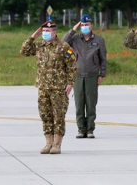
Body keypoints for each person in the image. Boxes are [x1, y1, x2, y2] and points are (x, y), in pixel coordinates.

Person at [21, 21, 76, 154]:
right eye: (44, 31)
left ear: (54, 32)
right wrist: (34, 35)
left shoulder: (64, 47)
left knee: (58, 116)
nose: (46, 33)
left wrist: (70, 83)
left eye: (48, 31)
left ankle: (57, 144)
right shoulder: (39, 46)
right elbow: (24, 50)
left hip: (58, 88)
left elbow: (72, 65)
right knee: (45, 115)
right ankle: (48, 143)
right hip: (43, 87)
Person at [63, 14, 107, 138]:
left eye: (86, 24)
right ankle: (81, 129)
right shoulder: (75, 39)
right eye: (82, 25)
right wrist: (73, 30)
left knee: (91, 104)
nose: (85, 27)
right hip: (78, 76)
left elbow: (103, 59)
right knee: (79, 103)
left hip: (92, 76)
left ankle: (90, 129)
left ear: (91, 25)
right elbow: (62, 43)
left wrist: (102, 74)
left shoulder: (99, 40)